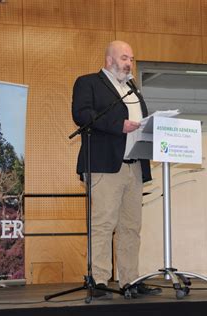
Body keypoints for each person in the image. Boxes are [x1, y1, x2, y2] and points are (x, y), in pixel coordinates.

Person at [72, 40, 161, 299]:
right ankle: (98, 280)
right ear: (109, 59)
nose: (129, 63)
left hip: (134, 165)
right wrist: (118, 124)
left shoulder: (133, 89)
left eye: (131, 58)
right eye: (124, 58)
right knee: (103, 224)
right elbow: (81, 114)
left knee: (131, 227)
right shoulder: (88, 82)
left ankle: (129, 280)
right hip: (105, 165)